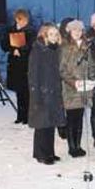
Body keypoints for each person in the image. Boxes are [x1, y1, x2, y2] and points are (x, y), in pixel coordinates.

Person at [28, 23, 66, 164]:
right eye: (51, 34)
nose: (54, 37)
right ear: (44, 35)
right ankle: (41, 154)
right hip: (42, 92)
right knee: (42, 124)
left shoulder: (55, 50)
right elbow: (33, 74)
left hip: (53, 91)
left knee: (50, 123)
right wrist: (36, 95)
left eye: (56, 34)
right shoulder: (38, 50)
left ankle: (49, 152)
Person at [60, 18, 95, 158]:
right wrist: (73, 82)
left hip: (84, 88)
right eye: (74, 29)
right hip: (71, 89)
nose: (77, 32)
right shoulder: (65, 47)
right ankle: (72, 147)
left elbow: (92, 64)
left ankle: (78, 145)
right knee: (71, 118)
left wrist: (93, 78)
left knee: (80, 117)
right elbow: (62, 70)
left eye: (80, 29)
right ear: (69, 31)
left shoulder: (87, 46)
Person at [2, 8, 33, 124]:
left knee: (26, 91)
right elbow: (4, 45)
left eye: (25, 20)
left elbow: (31, 45)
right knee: (18, 91)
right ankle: (20, 115)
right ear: (16, 19)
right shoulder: (10, 30)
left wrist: (20, 50)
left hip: (25, 64)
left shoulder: (30, 31)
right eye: (21, 19)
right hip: (15, 64)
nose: (24, 22)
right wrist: (12, 49)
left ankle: (27, 117)